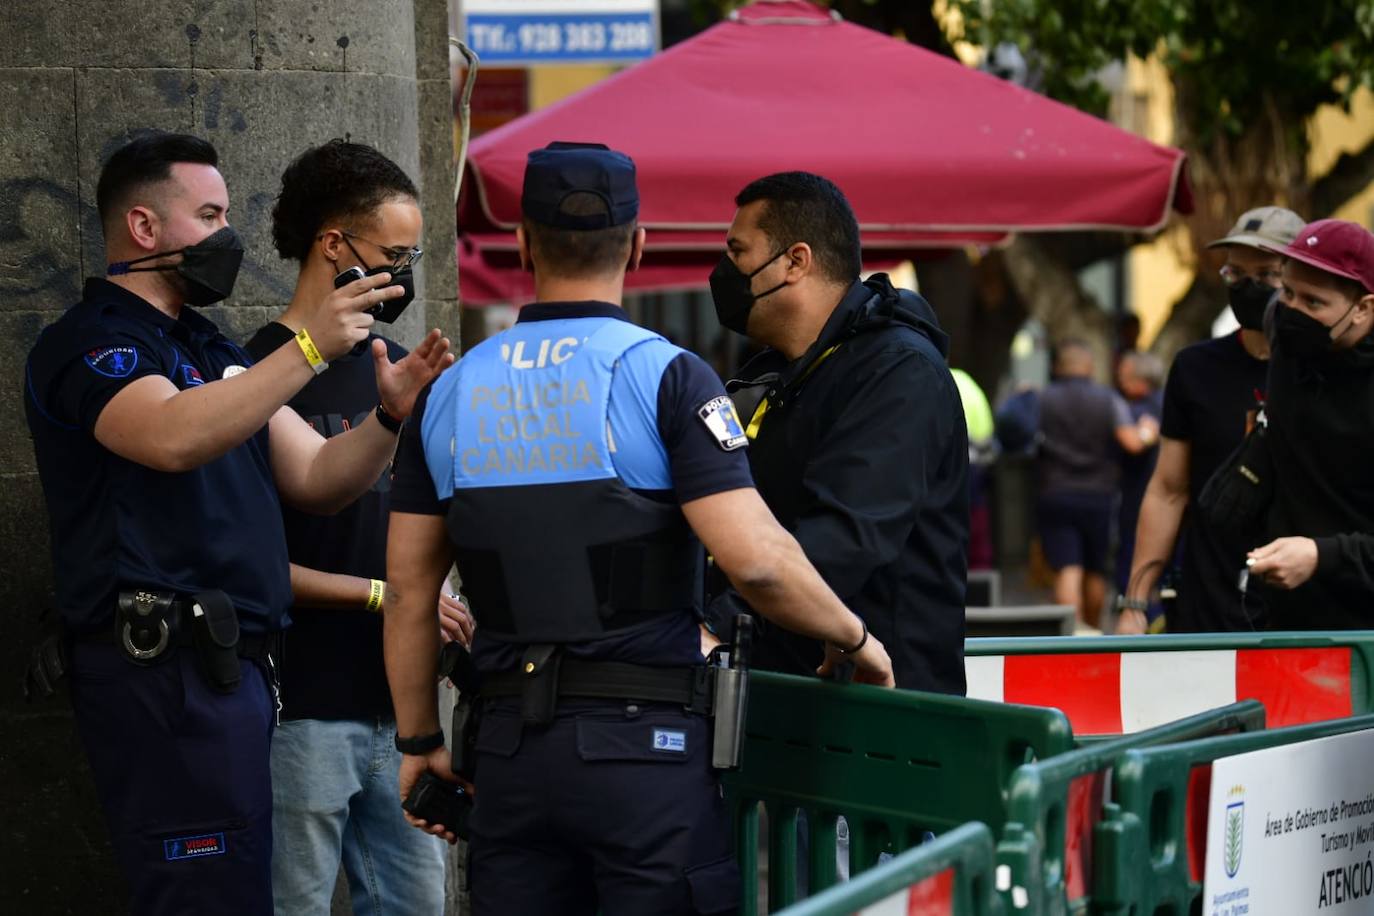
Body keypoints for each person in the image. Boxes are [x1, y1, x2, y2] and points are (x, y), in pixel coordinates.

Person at [382, 142, 894, 916]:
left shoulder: (449, 393)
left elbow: (411, 593)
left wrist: (419, 743)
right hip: (644, 758)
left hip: (507, 755)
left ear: (521, 243)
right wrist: (851, 637)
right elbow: (757, 562)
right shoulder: (668, 376)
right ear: (638, 243)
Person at [22, 132, 452, 915]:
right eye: (211, 214)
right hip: (162, 675)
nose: (228, 236)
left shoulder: (210, 349)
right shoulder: (89, 342)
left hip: (235, 675)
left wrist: (389, 418)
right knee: (201, 893)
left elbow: (319, 478)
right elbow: (173, 435)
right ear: (145, 229)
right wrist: (311, 346)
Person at [243, 140, 468, 915]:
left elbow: (441, 522)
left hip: (405, 715)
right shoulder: (253, 374)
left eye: (414, 256)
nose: (403, 275)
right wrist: (388, 596)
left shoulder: (405, 365)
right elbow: (252, 563)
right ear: (332, 245)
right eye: (392, 255)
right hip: (300, 708)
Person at [703, 171, 970, 694]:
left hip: (884, 715)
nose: (723, 271)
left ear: (795, 261)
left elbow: (842, 542)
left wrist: (716, 625)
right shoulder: (786, 371)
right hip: (787, 695)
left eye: (738, 251)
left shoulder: (897, 372)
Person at [1118, 207, 1304, 635]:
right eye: (1235, 273)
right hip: (1209, 609)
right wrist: (1134, 602)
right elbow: (1168, 489)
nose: (1248, 286)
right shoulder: (1195, 368)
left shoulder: (1324, 371)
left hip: (1305, 617)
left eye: (1266, 274)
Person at [1245, 219, 1374, 628]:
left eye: (1314, 302)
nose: (1293, 311)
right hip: (1283, 618)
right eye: (1287, 292)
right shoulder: (1285, 334)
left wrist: (1321, 556)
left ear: (1364, 309)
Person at [1035, 339, 1158, 629]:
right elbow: (1132, 443)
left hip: (1056, 491)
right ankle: (1093, 635)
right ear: (1089, 366)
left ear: (1059, 367)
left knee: (1067, 567)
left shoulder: (1044, 398)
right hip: (1098, 495)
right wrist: (1148, 433)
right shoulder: (1108, 399)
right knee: (1095, 570)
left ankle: (1071, 635)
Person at [1113, 350, 1165, 614]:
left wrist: (1143, 435)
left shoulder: (1139, 409)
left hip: (1139, 497)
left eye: (1125, 377)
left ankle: (1136, 613)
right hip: (1163, 498)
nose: (1120, 382)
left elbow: (1137, 442)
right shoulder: (1168, 402)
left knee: (1134, 562)